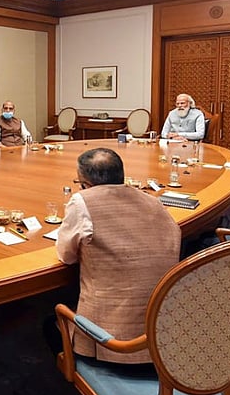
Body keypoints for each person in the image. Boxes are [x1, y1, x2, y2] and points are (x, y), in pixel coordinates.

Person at [53, 148, 181, 364]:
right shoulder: (153, 202)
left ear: (85, 183)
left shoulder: (82, 201)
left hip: (112, 343)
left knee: (49, 322)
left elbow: (66, 256)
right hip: (164, 336)